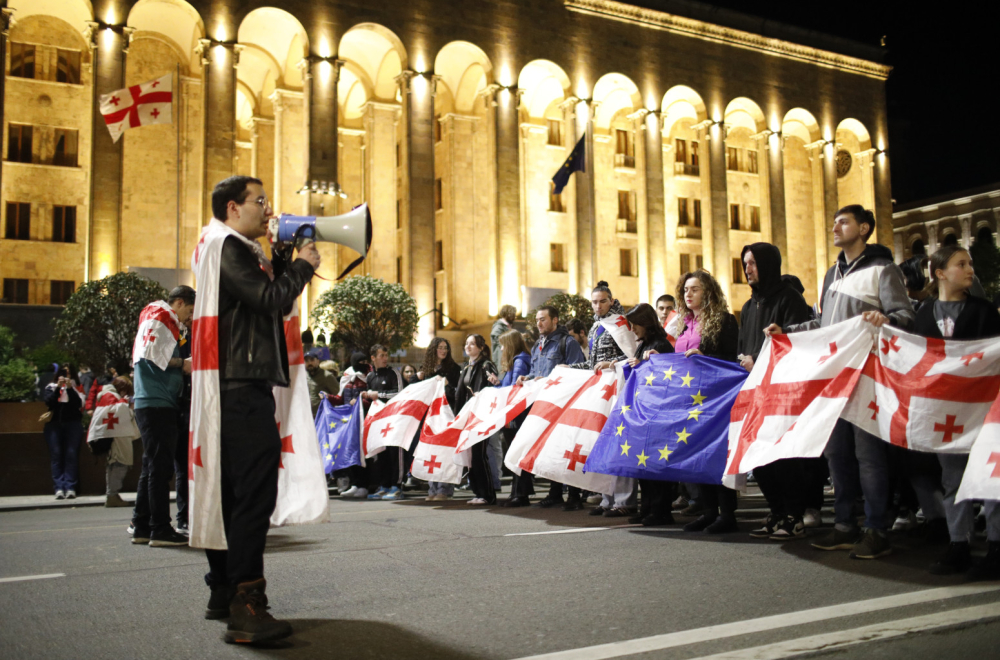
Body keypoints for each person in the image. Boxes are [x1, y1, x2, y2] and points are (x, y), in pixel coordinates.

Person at [195, 175, 319, 642]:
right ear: (232, 208)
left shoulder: (221, 245)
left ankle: (222, 592)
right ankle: (248, 605)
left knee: (229, 496)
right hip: (242, 390)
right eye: (259, 201)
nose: (268, 210)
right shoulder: (229, 248)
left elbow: (259, 303)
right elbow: (269, 299)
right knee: (251, 498)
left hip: (229, 387)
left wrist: (284, 261)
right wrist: (302, 268)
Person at [767, 204, 915, 560]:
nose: (835, 227)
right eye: (833, 221)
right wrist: (787, 333)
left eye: (843, 222)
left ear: (864, 228)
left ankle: (876, 529)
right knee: (837, 456)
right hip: (834, 380)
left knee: (868, 456)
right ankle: (845, 525)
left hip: (867, 376)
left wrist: (886, 318)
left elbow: (906, 316)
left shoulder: (883, 270)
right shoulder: (832, 274)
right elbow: (824, 324)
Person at [914, 245, 1000, 579]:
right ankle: (959, 545)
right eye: (960, 264)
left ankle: (996, 546)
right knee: (953, 479)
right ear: (939, 273)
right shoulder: (923, 313)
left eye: (970, 264)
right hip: (945, 414)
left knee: (991, 479)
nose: (970, 269)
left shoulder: (983, 312)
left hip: (984, 412)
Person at [735, 243, 817, 541]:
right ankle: (777, 510)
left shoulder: (789, 298)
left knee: (785, 458)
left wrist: (760, 358)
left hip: (784, 391)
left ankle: (793, 514)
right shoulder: (747, 306)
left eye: (754, 263)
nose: (748, 269)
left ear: (768, 264)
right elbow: (742, 346)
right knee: (759, 456)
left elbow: (800, 342)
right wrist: (744, 360)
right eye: (745, 263)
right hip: (756, 391)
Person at [673, 269, 740, 534]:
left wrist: (705, 355)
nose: (688, 294)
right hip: (689, 398)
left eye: (695, 289)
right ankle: (708, 510)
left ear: (708, 292)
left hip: (715, 397)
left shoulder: (724, 320)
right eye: (686, 290)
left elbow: (730, 358)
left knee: (716, 454)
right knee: (697, 453)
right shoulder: (684, 322)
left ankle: (727, 514)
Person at [130, 285, 195, 548]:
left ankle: (142, 524)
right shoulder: (162, 318)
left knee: (151, 466)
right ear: (178, 303)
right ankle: (159, 528)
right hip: (158, 403)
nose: (189, 318)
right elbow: (156, 356)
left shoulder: (153, 317)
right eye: (189, 311)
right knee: (160, 468)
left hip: (151, 401)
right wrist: (184, 363)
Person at [515, 305, 587, 509]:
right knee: (551, 449)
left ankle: (574, 495)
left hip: (563, 404)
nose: (539, 323)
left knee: (568, 448)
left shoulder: (567, 342)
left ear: (555, 320)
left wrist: (548, 379)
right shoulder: (538, 343)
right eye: (537, 319)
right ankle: (555, 492)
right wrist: (527, 377)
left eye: (543, 319)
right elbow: (537, 370)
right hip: (544, 405)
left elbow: (578, 372)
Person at [581, 281, 635, 516]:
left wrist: (611, 364)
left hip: (620, 390)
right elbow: (592, 363)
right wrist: (568, 367)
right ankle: (607, 497)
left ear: (611, 301)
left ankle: (624, 501)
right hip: (601, 393)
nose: (598, 306)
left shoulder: (622, 323)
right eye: (594, 302)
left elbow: (633, 355)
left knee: (620, 443)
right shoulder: (594, 327)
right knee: (602, 444)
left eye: (602, 301)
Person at [619, 303, 676, 526]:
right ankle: (648, 507)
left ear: (645, 323)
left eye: (634, 324)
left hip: (657, 411)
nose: (632, 329)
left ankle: (661, 510)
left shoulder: (660, 344)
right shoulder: (644, 344)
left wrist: (643, 364)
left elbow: (667, 375)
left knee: (655, 464)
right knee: (643, 463)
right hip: (644, 410)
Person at [455, 335, 500, 505]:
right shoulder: (467, 366)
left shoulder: (486, 365)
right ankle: (477, 491)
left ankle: (488, 494)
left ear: (481, 347)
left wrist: (491, 385)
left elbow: (493, 384)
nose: (468, 346)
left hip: (481, 415)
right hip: (468, 415)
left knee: (479, 455)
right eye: (466, 343)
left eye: (472, 344)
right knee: (470, 456)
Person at [491, 330, 532, 507]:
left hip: (516, 416)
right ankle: (518, 492)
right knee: (517, 454)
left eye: (502, 345)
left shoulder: (519, 361)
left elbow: (515, 389)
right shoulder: (518, 361)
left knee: (517, 454)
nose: (500, 348)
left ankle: (520, 494)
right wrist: (499, 384)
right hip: (516, 415)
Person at [419, 338, 462, 501]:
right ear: (433, 350)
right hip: (430, 416)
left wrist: (446, 386)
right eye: (440, 348)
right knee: (431, 452)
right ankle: (433, 489)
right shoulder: (426, 369)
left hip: (446, 415)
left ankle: (444, 489)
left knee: (444, 451)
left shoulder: (453, 369)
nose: (443, 351)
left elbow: (457, 393)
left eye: (446, 348)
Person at [362, 344, 406, 500]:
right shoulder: (370, 377)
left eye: (386, 356)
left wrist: (377, 394)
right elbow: (371, 400)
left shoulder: (394, 373)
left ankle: (397, 486)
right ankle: (384, 485)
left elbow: (400, 394)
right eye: (381, 356)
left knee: (395, 452)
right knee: (381, 453)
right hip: (378, 422)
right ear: (373, 358)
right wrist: (361, 398)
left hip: (394, 420)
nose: (385, 359)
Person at [94, 376, 138, 508]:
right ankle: (112, 494)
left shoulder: (106, 395)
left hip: (114, 435)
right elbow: (118, 415)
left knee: (113, 465)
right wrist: (128, 408)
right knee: (119, 464)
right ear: (123, 389)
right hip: (117, 437)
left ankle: (112, 494)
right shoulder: (111, 396)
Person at [42, 364, 83, 500]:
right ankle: (59, 487)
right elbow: (50, 403)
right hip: (54, 425)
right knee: (56, 454)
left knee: (71, 454)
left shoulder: (76, 387)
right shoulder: (51, 387)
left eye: (69, 373)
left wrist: (70, 389)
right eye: (63, 373)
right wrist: (59, 388)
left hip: (73, 424)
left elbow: (77, 404)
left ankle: (70, 486)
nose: (66, 376)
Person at [305, 348, 340, 418]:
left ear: (317, 361)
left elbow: (338, 395)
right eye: (306, 361)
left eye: (312, 360)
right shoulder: (303, 376)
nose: (309, 363)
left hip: (323, 416)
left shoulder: (327, 376)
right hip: (307, 417)